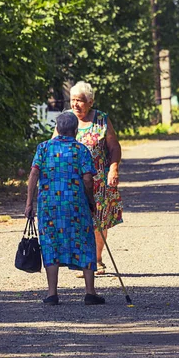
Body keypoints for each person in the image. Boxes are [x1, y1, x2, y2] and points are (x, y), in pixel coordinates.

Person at [25, 112, 106, 305]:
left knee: (51, 244)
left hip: (49, 206)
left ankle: (52, 294)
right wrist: (91, 201)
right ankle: (89, 292)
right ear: (75, 130)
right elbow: (87, 179)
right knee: (85, 242)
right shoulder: (81, 150)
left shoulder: (43, 148)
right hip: (76, 205)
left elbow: (34, 174)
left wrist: (29, 203)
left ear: (58, 128)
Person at [56, 81, 123, 276]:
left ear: (90, 102)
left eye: (80, 101)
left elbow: (114, 147)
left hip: (99, 181)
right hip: (72, 182)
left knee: (98, 222)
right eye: (73, 100)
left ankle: (97, 259)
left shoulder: (101, 119)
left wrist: (114, 169)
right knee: (77, 221)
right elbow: (54, 145)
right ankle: (84, 261)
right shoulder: (66, 120)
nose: (75, 105)